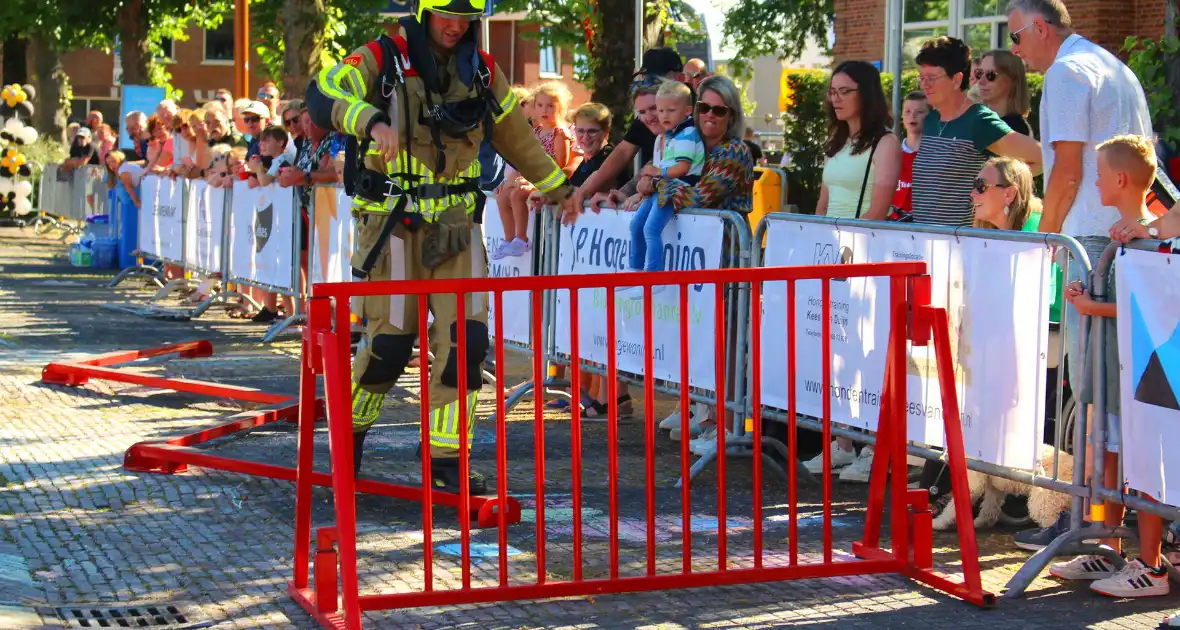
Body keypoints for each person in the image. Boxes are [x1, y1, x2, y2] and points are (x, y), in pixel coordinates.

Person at [307, 0, 579, 493]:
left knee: (465, 346)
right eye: (446, 15)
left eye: (466, 18)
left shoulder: (485, 69)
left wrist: (562, 188)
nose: (456, 27)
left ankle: (447, 461)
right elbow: (323, 95)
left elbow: (518, 138)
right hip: (391, 225)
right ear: (424, 13)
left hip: (457, 227)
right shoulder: (381, 56)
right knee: (389, 344)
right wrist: (370, 120)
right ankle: (347, 440)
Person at [1007, 0, 1155, 548]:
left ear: (1040, 29)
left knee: (1095, 394)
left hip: (1093, 239)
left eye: (1018, 39)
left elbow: (1067, 170)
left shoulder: (1069, 72)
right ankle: (1109, 523)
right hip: (1118, 233)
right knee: (1111, 396)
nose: (1017, 53)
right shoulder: (1111, 65)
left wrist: (1047, 237)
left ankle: (1096, 523)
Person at [1049, 135, 1168, 598]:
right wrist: (1089, 300)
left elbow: (1148, 306)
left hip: (1139, 381)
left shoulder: (1149, 237)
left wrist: (1092, 308)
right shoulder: (1127, 234)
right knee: (1109, 463)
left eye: (1099, 174)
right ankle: (1107, 544)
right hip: (1116, 376)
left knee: (1143, 469)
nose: (1094, 181)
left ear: (1120, 180)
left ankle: (1151, 564)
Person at [910, 36, 1041, 227]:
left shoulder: (979, 121)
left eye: (932, 78)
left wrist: (997, 191)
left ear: (957, 79)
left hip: (962, 244)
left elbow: (1042, 156)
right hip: (923, 241)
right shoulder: (931, 120)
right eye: (921, 77)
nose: (924, 85)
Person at [572, 47, 686, 211]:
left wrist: (638, 195)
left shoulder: (691, 125)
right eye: (644, 79)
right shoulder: (659, 135)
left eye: (657, 82)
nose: (649, 116)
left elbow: (671, 176)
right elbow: (626, 153)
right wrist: (585, 193)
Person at [623, 80, 704, 280]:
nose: (663, 116)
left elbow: (682, 168)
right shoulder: (669, 136)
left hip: (676, 189)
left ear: (687, 110)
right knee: (636, 226)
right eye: (661, 110)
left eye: (670, 110)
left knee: (651, 229)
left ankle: (653, 277)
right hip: (663, 188)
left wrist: (657, 172)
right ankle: (635, 270)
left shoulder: (687, 134)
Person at [492, 82, 579, 259]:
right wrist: (512, 180)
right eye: (540, 105)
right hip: (533, 178)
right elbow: (526, 160)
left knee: (518, 195)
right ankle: (509, 239)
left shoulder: (560, 133)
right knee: (502, 196)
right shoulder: (537, 131)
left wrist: (531, 181)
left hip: (547, 181)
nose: (544, 110)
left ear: (560, 108)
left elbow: (558, 164)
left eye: (550, 106)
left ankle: (522, 238)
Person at [815, 60, 902, 222]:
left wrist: (845, 241)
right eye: (832, 92)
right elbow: (822, 205)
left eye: (844, 91)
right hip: (828, 242)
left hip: (862, 241)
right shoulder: (836, 141)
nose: (835, 98)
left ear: (866, 94)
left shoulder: (885, 143)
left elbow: (877, 213)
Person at [888, 91, 928, 222]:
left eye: (920, 112)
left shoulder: (935, 154)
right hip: (892, 224)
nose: (913, 116)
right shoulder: (892, 153)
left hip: (923, 225)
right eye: (908, 111)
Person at [970, 157, 1040, 231]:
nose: (972, 194)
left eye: (982, 186)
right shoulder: (989, 232)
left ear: (1009, 194)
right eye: (975, 184)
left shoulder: (1038, 234)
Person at [976, 49, 1032, 137]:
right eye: (979, 73)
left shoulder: (1016, 129)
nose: (981, 81)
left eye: (991, 75)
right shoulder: (975, 119)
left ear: (1012, 80)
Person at [569, 103, 623, 189]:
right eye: (580, 131)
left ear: (606, 132)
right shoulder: (588, 159)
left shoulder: (610, 160)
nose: (585, 137)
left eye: (592, 131)